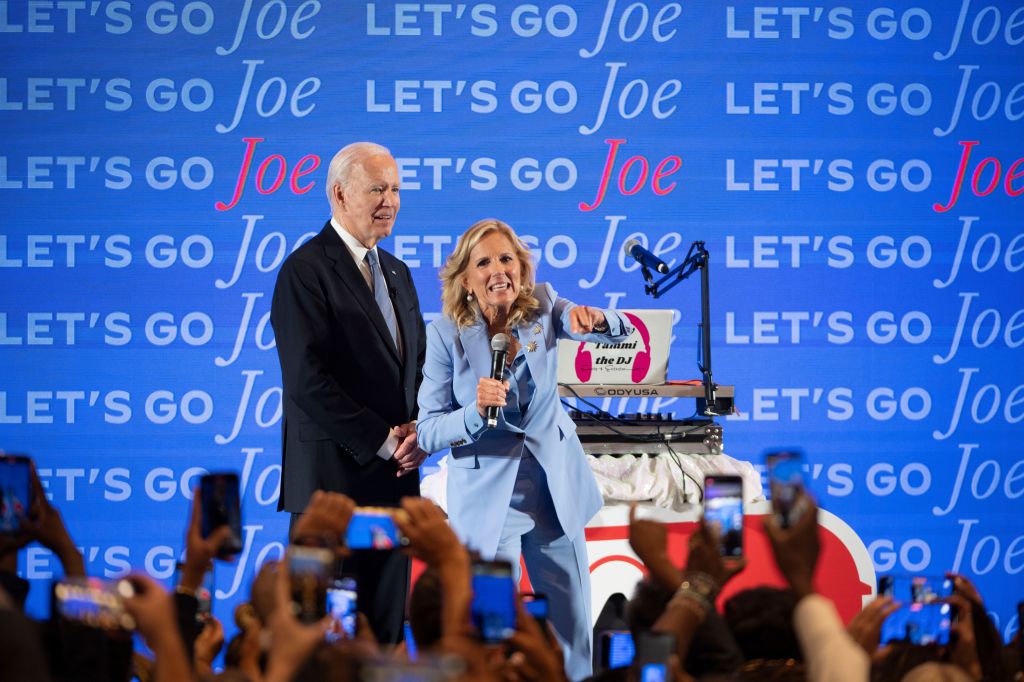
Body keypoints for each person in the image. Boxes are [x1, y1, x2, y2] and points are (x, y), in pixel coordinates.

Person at [415, 218, 633, 680]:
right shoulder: (443, 335)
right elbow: (429, 430)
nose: (499, 270)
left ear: (522, 269)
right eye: (484, 262)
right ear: (466, 281)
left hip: (553, 492)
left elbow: (616, 333)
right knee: (494, 631)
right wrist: (475, 412)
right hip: (489, 502)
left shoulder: (545, 306)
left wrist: (600, 319)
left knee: (571, 626)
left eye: (507, 259)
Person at [270, 141, 427, 644]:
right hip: (331, 490)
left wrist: (419, 432)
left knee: (383, 636)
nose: (391, 201)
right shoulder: (305, 270)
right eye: (378, 188)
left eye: (396, 189)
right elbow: (306, 380)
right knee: (321, 643)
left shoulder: (399, 274)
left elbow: (417, 370)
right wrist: (383, 439)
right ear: (339, 194)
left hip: (392, 489)